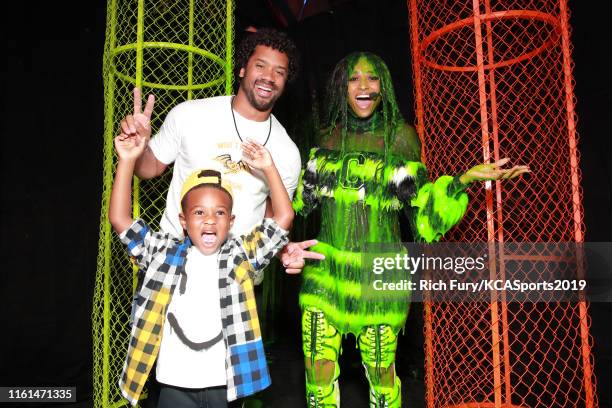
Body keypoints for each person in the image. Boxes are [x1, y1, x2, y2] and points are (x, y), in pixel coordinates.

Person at [292, 52, 529, 407]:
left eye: (372, 78)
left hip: (380, 279)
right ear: (342, 88)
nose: (364, 86)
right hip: (324, 276)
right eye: (354, 79)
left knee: (382, 379)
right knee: (318, 375)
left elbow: (422, 219)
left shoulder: (400, 139)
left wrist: (462, 181)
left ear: (383, 87)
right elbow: (299, 204)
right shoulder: (326, 138)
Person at [109, 127, 294, 407]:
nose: (209, 220)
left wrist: (268, 168)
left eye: (219, 212)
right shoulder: (163, 253)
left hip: (225, 386)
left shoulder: (238, 256)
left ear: (231, 222)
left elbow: (283, 217)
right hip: (174, 385)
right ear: (183, 221)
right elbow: (120, 219)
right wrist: (126, 161)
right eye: (199, 212)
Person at [119, 27, 321, 270]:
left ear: (285, 82)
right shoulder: (189, 114)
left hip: (236, 278)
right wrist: (138, 149)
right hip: (172, 265)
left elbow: (275, 221)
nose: (269, 76)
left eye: (279, 72)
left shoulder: (286, 152)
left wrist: (283, 250)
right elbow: (149, 169)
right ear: (243, 69)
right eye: (260, 66)